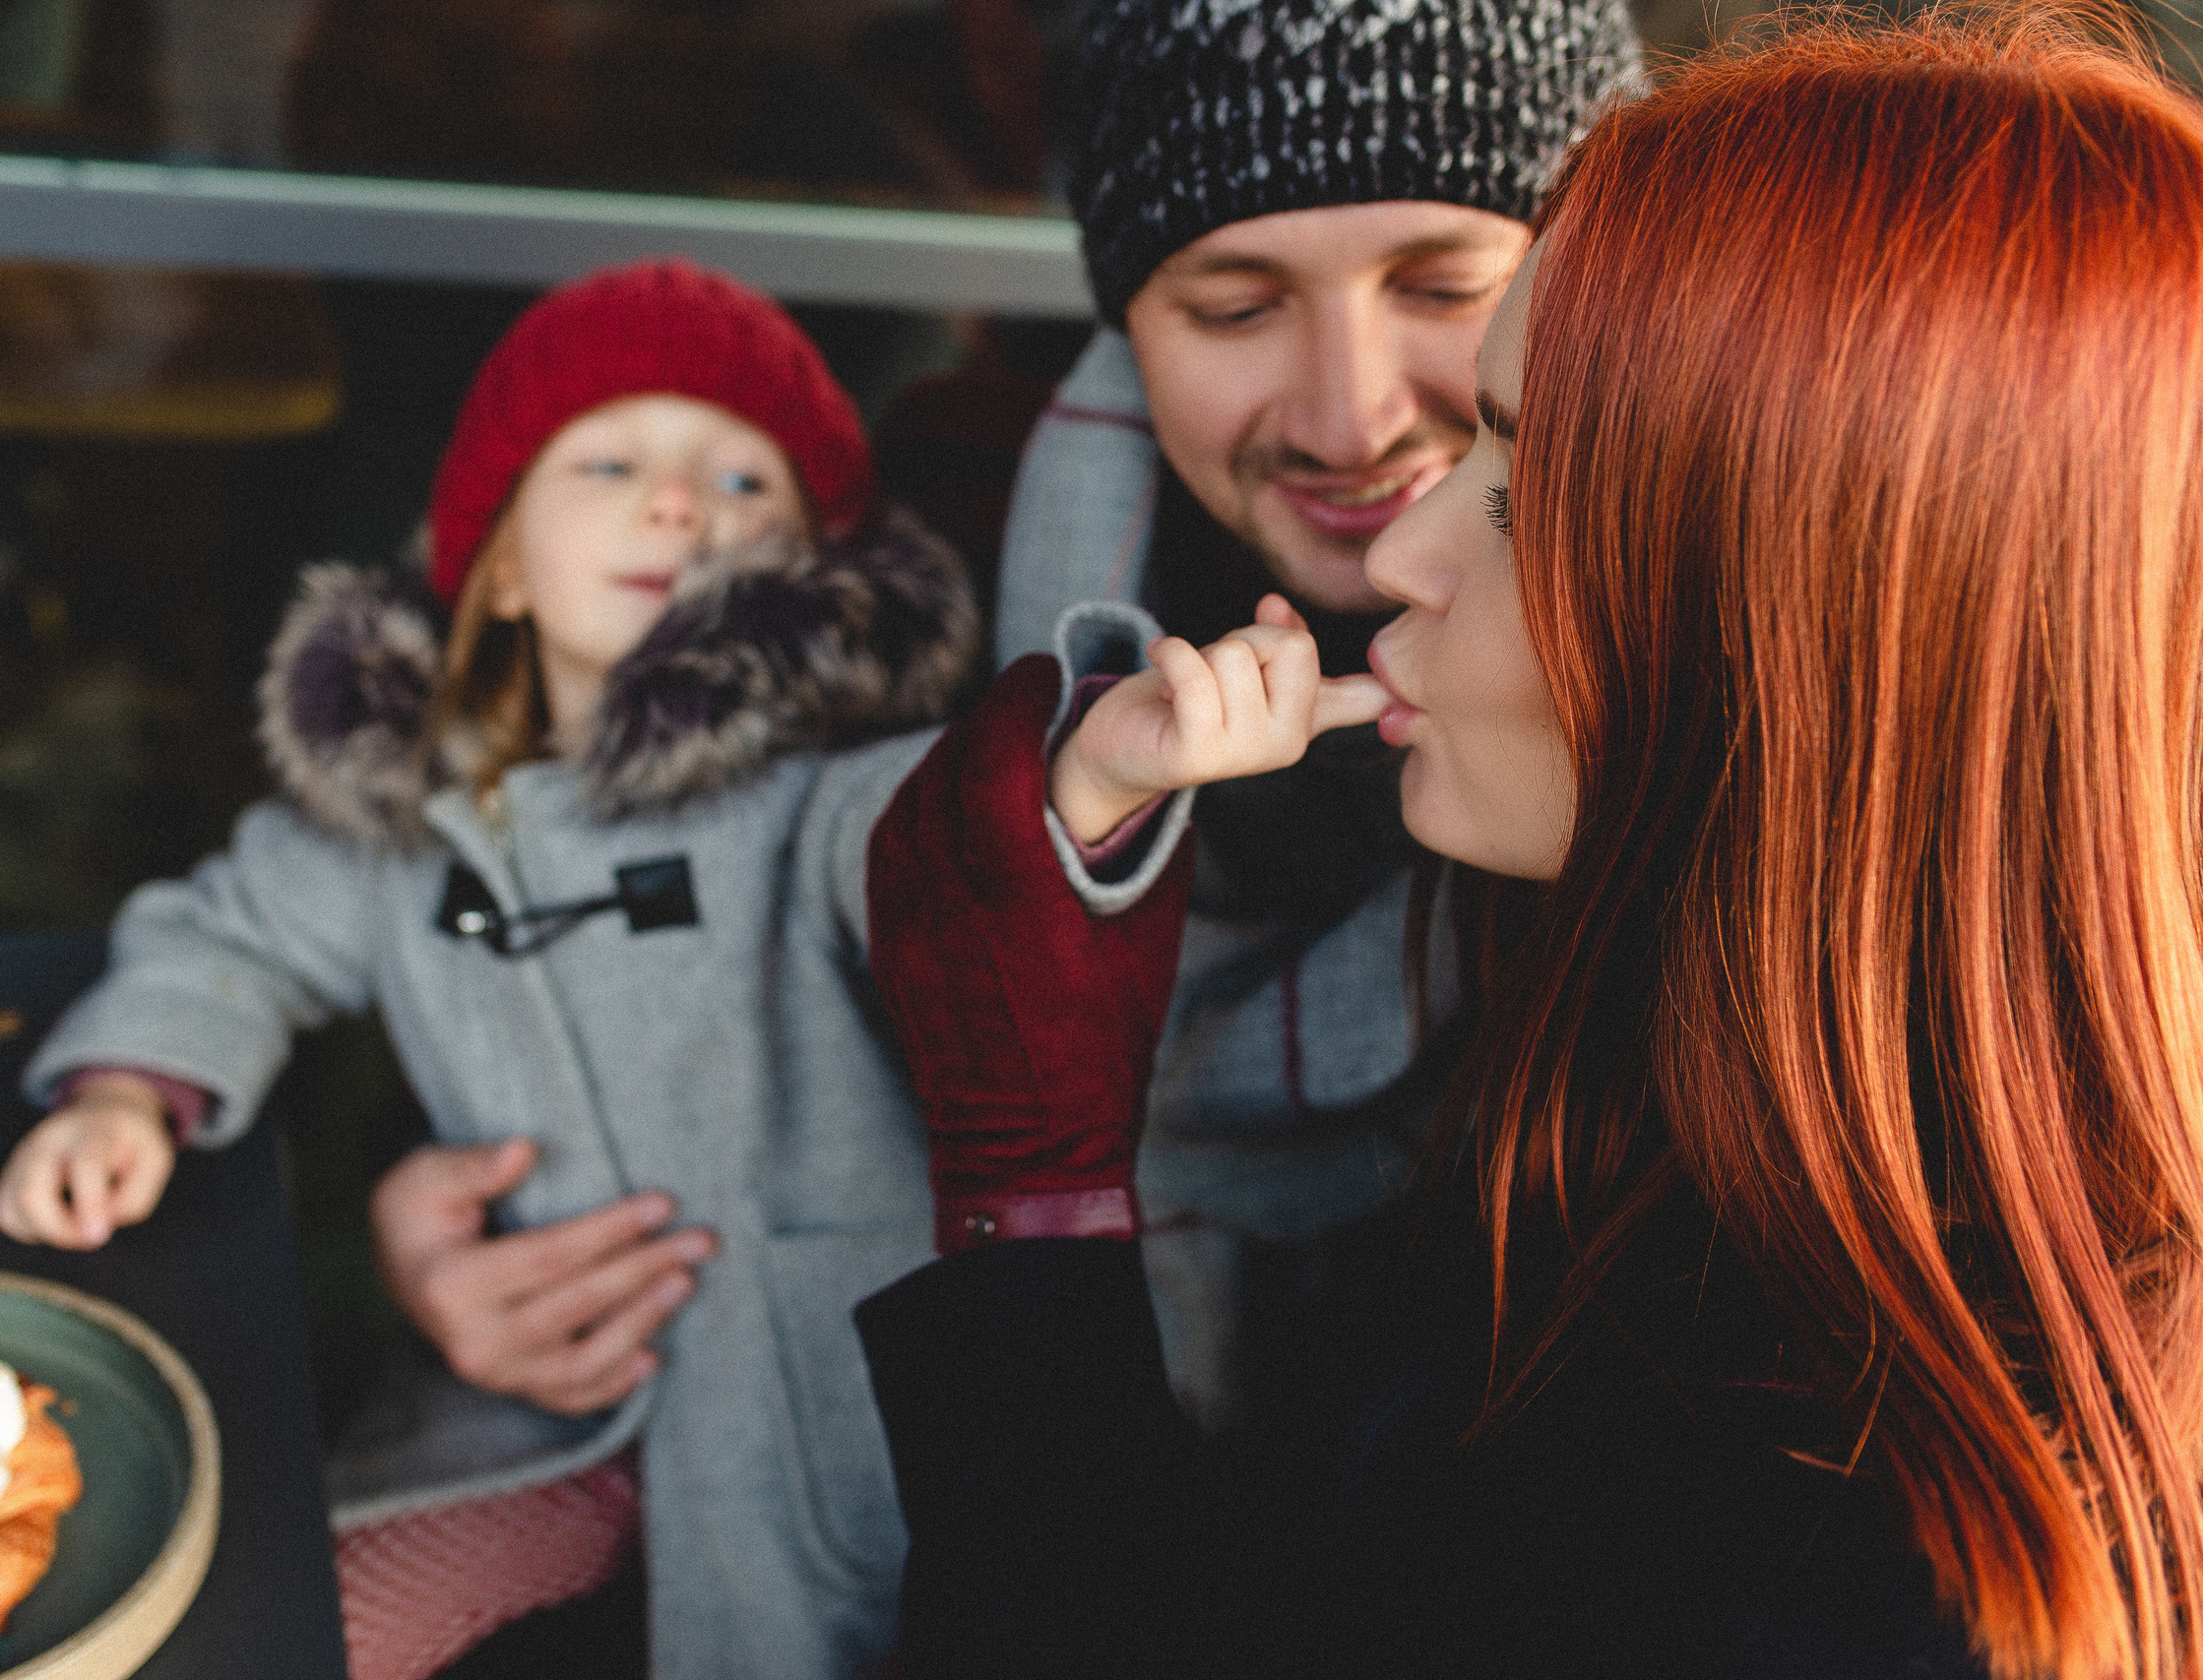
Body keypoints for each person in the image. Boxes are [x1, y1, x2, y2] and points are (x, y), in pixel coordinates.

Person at [857, 13, 2203, 1677]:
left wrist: (1029, 1191)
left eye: (1522, 481)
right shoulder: (1662, 1121)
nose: (1394, 521)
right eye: (1230, 301)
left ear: (1816, 625)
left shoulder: (1830, 1552)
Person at [0, 260, 977, 1680]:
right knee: (306, 1629)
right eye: (615, 459)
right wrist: (130, 1092)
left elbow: (967, 838)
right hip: (536, 1421)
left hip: (815, 1431)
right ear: (500, 562)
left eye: (745, 482)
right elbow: (232, 933)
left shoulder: (832, 800)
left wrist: (1085, 776)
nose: (679, 505)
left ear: (817, 570)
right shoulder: (404, 823)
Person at [993, 0, 1642, 1423]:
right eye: (1234, 307)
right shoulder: (931, 590)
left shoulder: (1732, 687)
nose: (1350, 423)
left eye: (1441, 284)